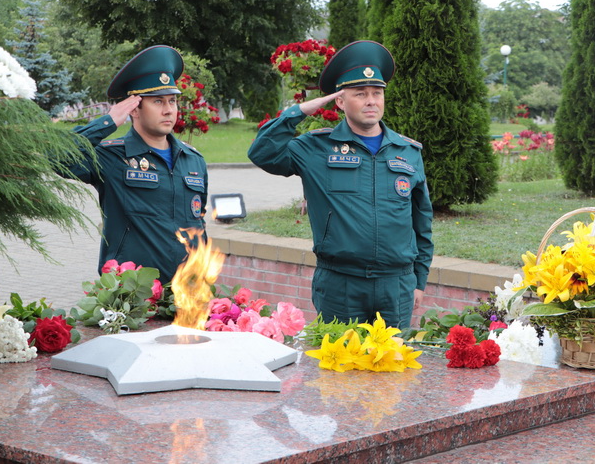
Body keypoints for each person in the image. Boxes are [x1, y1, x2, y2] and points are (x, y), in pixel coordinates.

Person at [248, 40, 434, 329]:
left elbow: (421, 221)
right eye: (360, 94)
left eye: (377, 93)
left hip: (396, 285)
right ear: (340, 101)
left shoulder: (407, 151)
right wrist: (299, 111)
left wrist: (419, 280)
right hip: (340, 284)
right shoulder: (315, 148)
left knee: (393, 369)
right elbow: (261, 151)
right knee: (338, 370)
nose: (371, 101)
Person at [60, 45, 208, 282]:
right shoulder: (112, 156)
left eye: (172, 101)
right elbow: (56, 156)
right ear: (134, 108)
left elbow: (198, 223)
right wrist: (108, 122)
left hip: (186, 295)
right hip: (131, 295)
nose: (169, 110)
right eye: (158, 102)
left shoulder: (193, 160)